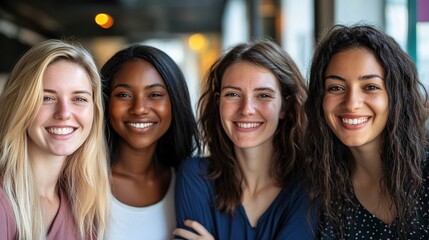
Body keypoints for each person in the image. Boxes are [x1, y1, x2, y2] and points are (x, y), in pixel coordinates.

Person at [174, 40, 317, 239]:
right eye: (232, 94)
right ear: (218, 103)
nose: (246, 109)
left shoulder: (311, 186)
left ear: (284, 107)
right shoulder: (195, 176)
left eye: (263, 95)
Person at [304, 24, 429, 239]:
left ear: (396, 96)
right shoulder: (319, 188)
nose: (352, 103)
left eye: (370, 86)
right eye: (336, 87)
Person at [0, 39, 110, 239]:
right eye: (47, 98)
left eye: (79, 99)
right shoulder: (3, 202)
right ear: (20, 105)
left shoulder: (83, 202)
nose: (64, 113)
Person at [100, 44, 200, 240]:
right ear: (104, 101)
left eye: (155, 95)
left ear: (175, 102)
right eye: (123, 95)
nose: (139, 109)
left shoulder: (193, 185)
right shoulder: (78, 183)